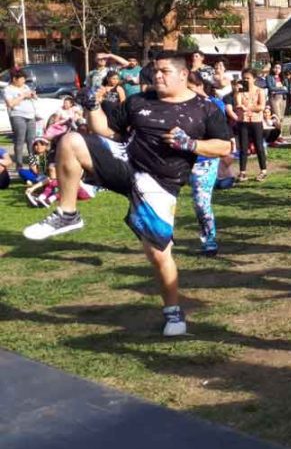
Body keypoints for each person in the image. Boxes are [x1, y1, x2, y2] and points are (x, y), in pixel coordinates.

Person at [22, 51, 232, 337]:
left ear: (183, 74)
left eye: (165, 71)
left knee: (158, 255)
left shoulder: (205, 109)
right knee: (71, 140)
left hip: (159, 183)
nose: (158, 75)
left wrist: (191, 143)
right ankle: (67, 213)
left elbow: (224, 146)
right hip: (126, 163)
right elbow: (107, 132)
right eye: (155, 71)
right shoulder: (138, 101)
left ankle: (173, 311)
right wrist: (92, 106)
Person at [186, 73, 223, 255]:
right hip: (177, 161)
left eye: (190, 88)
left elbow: (223, 137)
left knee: (201, 203)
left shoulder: (213, 105)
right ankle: (161, 240)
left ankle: (209, 239)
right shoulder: (175, 106)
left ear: (199, 85)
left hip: (205, 161)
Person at [228, 68, 268, 182]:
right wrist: (236, 92)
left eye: (248, 78)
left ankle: (263, 170)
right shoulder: (240, 91)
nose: (246, 80)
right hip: (243, 121)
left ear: (254, 79)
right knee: (243, 147)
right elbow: (238, 104)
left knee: (259, 146)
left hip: (256, 121)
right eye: (244, 78)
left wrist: (248, 108)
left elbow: (261, 106)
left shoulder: (260, 91)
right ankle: (242, 172)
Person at [4, 69, 38, 168]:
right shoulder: (8, 89)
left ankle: (33, 164)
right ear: (15, 79)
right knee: (20, 140)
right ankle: (19, 165)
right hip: (17, 115)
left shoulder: (25, 86)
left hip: (30, 115)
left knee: (32, 141)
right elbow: (10, 104)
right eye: (22, 79)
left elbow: (30, 96)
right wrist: (23, 95)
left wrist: (32, 95)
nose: (24, 81)